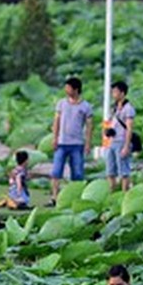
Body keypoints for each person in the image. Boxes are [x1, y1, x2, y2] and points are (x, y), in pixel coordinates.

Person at [49, 77, 94, 205]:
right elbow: (56, 121)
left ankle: (76, 198)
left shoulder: (86, 106)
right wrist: (55, 137)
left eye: (68, 87)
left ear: (76, 89)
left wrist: (88, 143)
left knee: (78, 173)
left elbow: (89, 126)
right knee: (56, 172)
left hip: (77, 144)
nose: (66, 90)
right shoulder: (61, 104)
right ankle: (54, 197)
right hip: (62, 143)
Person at [106, 80, 135, 192]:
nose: (113, 94)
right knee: (110, 171)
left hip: (122, 142)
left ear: (122, 93)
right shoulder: (115, 108)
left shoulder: (128, 109)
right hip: (113, 141)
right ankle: (112, 192)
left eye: (115, 92)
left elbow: (129, 128)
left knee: (124, 171)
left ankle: (124, 193)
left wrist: (126, 146)